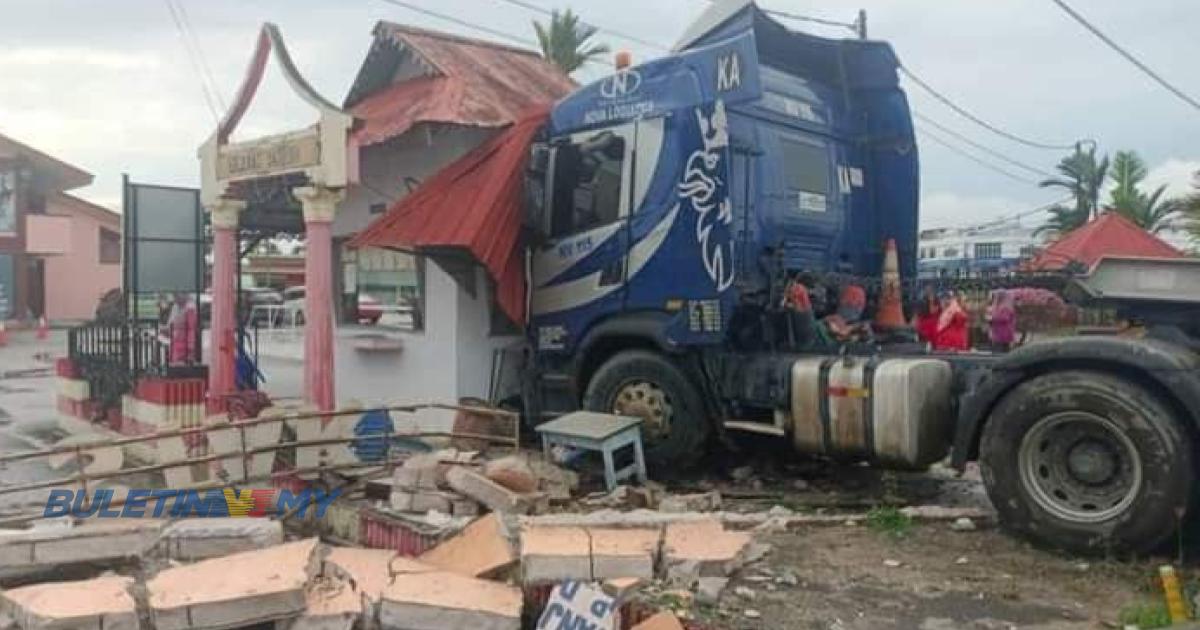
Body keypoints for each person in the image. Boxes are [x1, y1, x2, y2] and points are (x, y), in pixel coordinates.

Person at [167, 292, 198, 365]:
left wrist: (191, 348)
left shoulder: (190, 308)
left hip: (184, 347)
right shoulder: (175, 307)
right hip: (175, 344)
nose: (175, 299)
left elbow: (191, 329)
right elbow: (171, 323)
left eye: (176, 295)